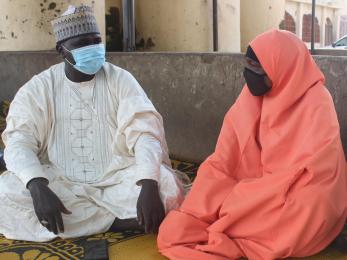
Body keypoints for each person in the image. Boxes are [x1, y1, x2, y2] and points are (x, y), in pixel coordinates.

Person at [157, 29, 347, 259]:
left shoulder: (317, 101)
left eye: (258, 68)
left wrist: (253, 195)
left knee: (304, 208)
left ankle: (242, 221)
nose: (250, 74)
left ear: (282, 67)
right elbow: (226, 155)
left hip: (300, 191)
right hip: (258, 186)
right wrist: (213, 194)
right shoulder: (252, 95)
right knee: (183, 223)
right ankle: (238, 219)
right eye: (248, 65)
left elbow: (316, 170)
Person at [0, 5, 184, 242]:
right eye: (82, 43)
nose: (92, 48)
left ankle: (82, 223)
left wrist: (148, 184)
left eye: (96, 41)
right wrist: (37, 186)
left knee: (167, 188)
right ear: (62, 50)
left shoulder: (121, 79)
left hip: (115, 177)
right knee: (5, 194)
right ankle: (120, 221)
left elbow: (145, 132)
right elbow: (18, 141)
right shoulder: (38, 88)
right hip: (59, 179)